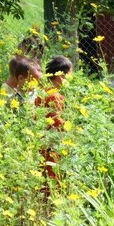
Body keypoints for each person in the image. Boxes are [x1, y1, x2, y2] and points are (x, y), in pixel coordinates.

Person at [35, 55, 73, 194]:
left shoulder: (44, 92)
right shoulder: (54, 96)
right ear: (60, 76)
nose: (71, 78)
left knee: (45, 174)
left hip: (44, 141)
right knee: (53, 176)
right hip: (53, 143)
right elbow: (57, 121)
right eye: (69, 74)